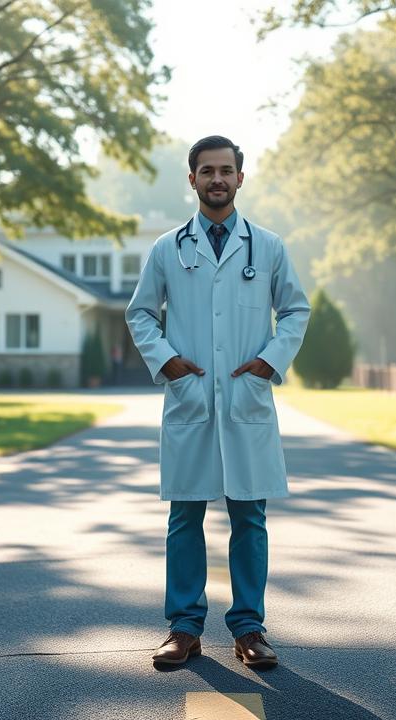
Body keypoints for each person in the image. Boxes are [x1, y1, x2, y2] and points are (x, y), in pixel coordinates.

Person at [125, 135, 310, 670]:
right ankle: (183, 629)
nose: (217, 180)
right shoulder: (168, 248)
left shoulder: (268, 246)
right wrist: (168, 361)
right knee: (185, 516)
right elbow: (140, 314)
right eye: (207, 171)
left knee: (249, 517)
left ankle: (249, 628)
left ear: (240, 178)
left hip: (244, 400)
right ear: (192, 180)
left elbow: (295, 311)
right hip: (192, 398)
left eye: (226, 170)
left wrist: (269, 361)